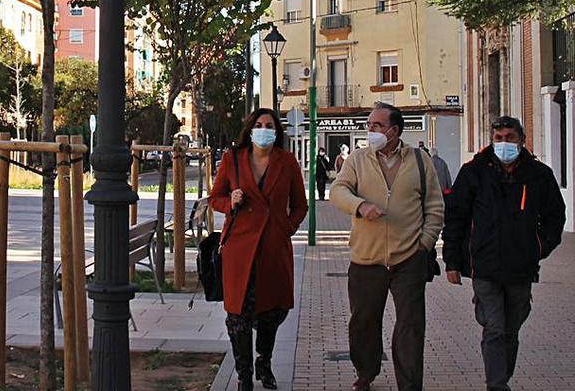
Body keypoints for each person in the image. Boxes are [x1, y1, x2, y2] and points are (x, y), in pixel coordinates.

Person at [442, 116, 565, 391]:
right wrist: (452, 261)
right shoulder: (474, 172)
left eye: (510, 138)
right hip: (484, 266)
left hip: (521, 268)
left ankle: (501, 377)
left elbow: (555, 217)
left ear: (521, 140)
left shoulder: (538, 175)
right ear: (492, 140)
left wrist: (538, 248)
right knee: (495, 328)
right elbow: (456, 217)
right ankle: (497, 386)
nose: (504, 143)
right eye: (499, 139)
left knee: (511, 329)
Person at [330, 102, 444, 391]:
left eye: (377, 126)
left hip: (409, 257)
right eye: (369, 125)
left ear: (394, 130)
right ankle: (366, 372)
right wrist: (360, 206)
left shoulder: (419, 160)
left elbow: (434, 205)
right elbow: (338, 191)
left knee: (410, 326)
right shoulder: (357, 159)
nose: (370, 130)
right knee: (363, 323)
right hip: (366, 259)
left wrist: (425, 243)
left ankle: (409, 384)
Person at [208, 108, 308, 391]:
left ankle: (264, 361)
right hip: (240, 249)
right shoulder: (232, 160)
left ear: (276, 132)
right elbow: (215, 198)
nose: (264, 129)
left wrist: (287, 228)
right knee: (238, 315)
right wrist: (231, 201)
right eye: (260, 124)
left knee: (271, 312)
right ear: (250, 129)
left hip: (273, 248)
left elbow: (300, 204)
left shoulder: (287, 162)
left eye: (270, 125)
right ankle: (244, 376)